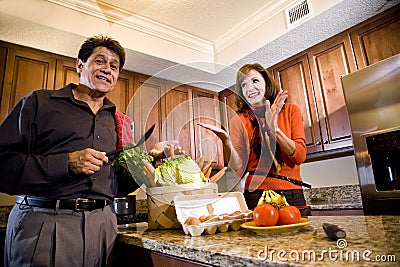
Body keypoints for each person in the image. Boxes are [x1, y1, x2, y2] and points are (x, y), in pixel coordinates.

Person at [0, 35, 180, 266]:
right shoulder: (39, 103)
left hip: (103, 226)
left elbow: (117, 186)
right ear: (80, 65)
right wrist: (65, 163)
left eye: (114, 66)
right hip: (45, 222)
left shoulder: (119, 121)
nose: (108, 69)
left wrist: (149, 159)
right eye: (100, 61)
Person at [199, 63, 308, 210]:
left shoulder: (290, 111)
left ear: (266, 83)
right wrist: (226, 141)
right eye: (244, 85)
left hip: (291, 193)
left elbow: (299, 156)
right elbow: (239, 169)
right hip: (255, 195)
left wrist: (275, 130)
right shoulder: (238, 121)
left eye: (255, 81)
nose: (249, 88)